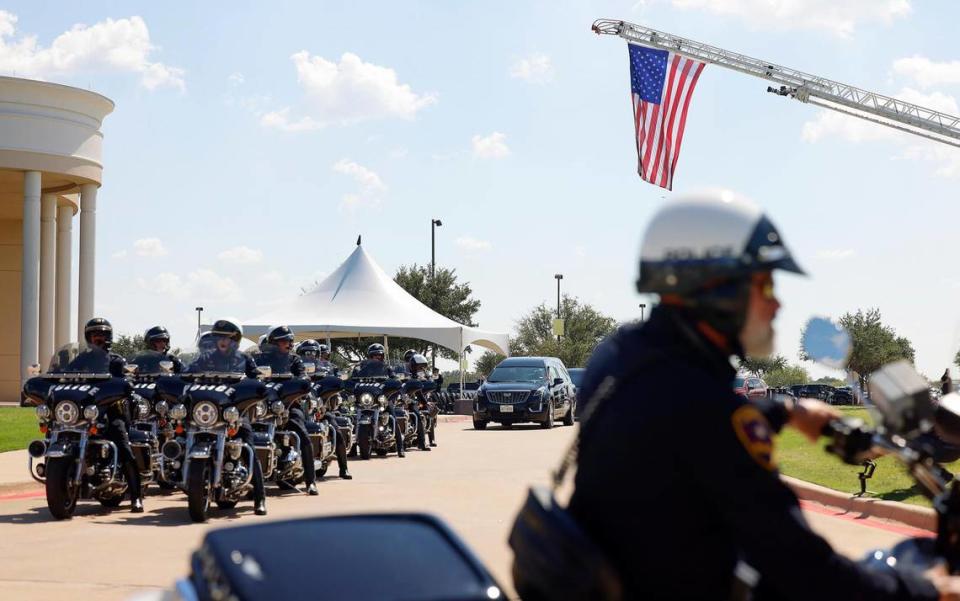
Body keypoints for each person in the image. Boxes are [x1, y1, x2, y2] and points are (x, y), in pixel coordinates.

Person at [566, 190, 957, 600]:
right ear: (719, 289)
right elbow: (803, 567)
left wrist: (787, 410)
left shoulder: (624, 354)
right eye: (765, 285)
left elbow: (693, 421)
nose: (777, 305)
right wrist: (923, 590)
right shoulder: (700, 407)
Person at [186, 319, 267, 515]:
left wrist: (254, 382)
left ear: (235, 340)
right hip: (207, 411)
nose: (223, 341)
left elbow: (256, 378)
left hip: (234, 412)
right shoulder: (204, 358)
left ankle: (259, 498)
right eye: (219, 337)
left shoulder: (243, 359)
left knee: (249, 446)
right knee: (180, 431)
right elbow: (187, 372)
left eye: (228, 337)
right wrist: (179, 377)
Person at [64, 318, 144, 512]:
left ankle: (136, 496)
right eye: (94, 334)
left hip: (111, 410)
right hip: (86, 411)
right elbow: (66, 375)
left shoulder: (116, 361)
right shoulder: (81, 359)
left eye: (101, 334)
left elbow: (124, 382)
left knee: (122, 441)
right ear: (88, 337)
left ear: (108, 337)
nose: (97, 337)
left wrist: (125, 382)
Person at [251, 325, 318, 495]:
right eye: (284, 341)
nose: (288, 344)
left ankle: (311, 481)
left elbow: (303, 376)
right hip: (262, 406)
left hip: (288, 405)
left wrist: (302, 382)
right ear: (273, 342)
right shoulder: (258, 358)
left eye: (290, 340)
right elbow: (249, 375)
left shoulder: (294, 360)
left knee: (303, 435)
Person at [296, 339, 353, 479]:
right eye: (306, 353)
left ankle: (343, 468)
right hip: (301, 410)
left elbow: (334, 380)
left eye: (314, 353)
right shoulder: (297, 370)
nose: (310, 356)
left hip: (321, 410)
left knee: (336, 430)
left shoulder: (324, 370)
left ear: (318, 355)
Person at [352, 343, 406, 457]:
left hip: (381, 397)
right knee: (351, 417)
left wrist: (395, 381)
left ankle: (400, 447)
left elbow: (394, 378)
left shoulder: (387, 368)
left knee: (392, 416)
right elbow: (353, 378)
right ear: (369, 357)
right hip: (366, 398)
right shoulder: (362, 368)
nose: (376, 357)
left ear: (382, 356)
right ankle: (352, 448)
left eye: (379, 355)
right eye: (374, 355)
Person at [403, 353, 433, 451]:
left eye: (422, 367)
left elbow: (418, 392)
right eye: (418, 366)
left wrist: (424, 402)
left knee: (417, 416)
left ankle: (422, 443)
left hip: (410, 401)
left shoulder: (416, 377)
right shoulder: (403, 373)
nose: (420, 369)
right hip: (399, 400)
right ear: (413, 365)